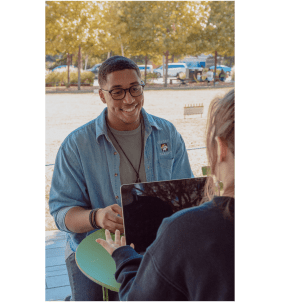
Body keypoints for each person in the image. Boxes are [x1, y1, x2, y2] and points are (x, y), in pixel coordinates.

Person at [49, 55, 194, 301]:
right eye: (117, 92)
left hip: (158, 243)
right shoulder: (76, 145)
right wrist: (97, 217)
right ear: (102, 95)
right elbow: (62, 214)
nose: (129, 99)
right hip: (95, 248)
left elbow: (188, 196)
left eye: (134, 89)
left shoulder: (167, 133)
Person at [97, 88, 235, 301]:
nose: (129, 98)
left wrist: (123, 256)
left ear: (221, 147)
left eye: (135, 88)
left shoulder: (185, 230)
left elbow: (138, 297)